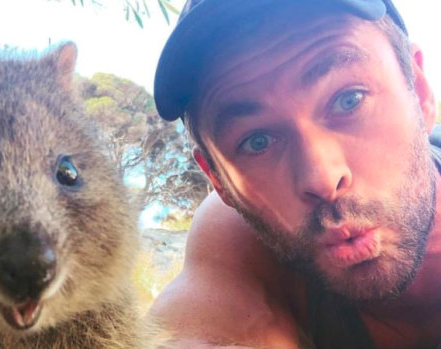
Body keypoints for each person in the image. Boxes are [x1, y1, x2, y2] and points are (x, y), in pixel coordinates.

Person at [149, 0, 440, 348]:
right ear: (218, 180)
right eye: (257, 142)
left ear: (421, 93)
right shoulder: (233, 238)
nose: (321, 178)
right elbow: (190, 334)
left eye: (349, 99)